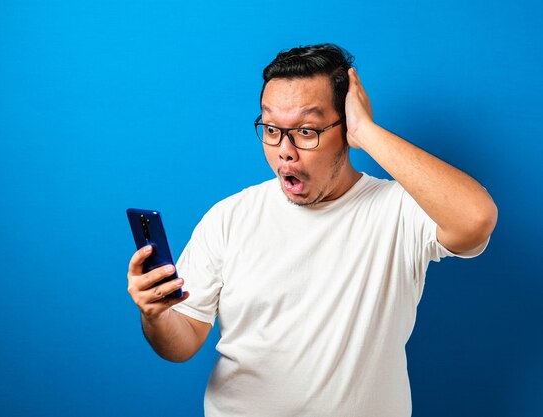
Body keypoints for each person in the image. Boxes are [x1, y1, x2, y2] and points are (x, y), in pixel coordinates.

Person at [127, 44, 497, 417]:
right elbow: (183, 341)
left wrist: (367, 131)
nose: (284, 151)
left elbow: (476, 219)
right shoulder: (229, 217)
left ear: (345, 128)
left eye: (306, 130)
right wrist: (155, 314)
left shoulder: (398, 211)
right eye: (272, 129)